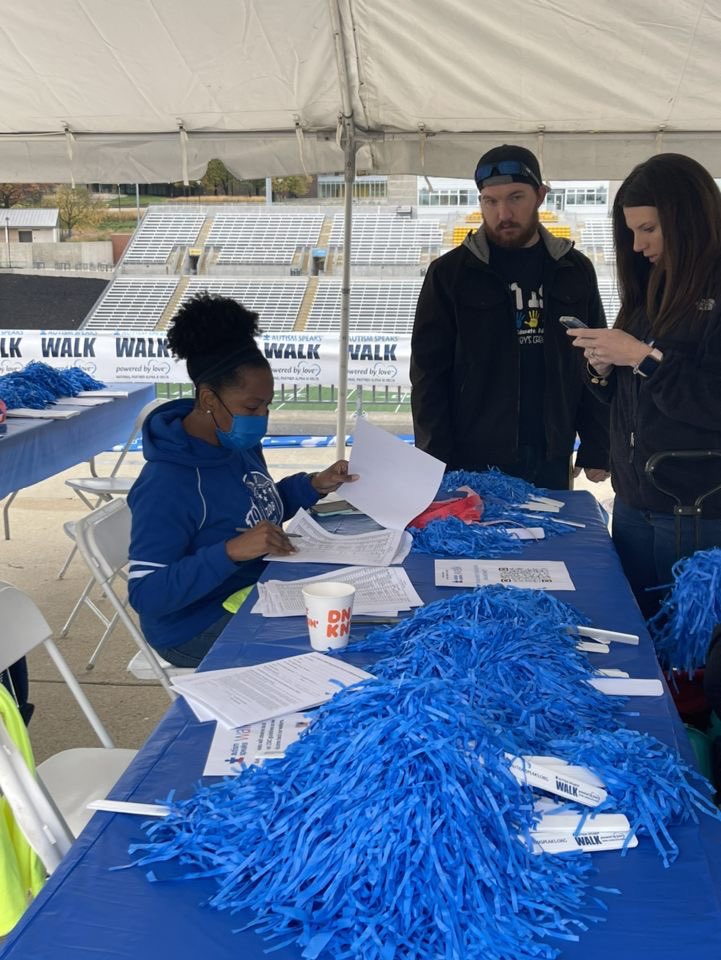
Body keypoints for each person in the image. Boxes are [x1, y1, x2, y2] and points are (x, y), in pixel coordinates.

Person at [128, 293, 357, 667]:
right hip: (193, 626)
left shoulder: (236, 441)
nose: (261, 418)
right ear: (207, 399)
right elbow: (147, 593)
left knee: (348, 612)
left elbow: (260, 510)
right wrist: (231, 551)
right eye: (252, 407)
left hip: (256, 587)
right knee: (331, 649)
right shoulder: (166, 482)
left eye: (267, 405)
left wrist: (313, 485)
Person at [567, 153, 721, 618]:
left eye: (648, 229)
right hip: (634, 503)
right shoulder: (650, 286)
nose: (636, 245)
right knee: (639, 637)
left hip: (697, 511)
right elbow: (627, 398)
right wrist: (602, 369)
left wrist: (641, 358)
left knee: (689, 659)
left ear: (688, 219)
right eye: (631, 231)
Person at [410, 144, 610, 489]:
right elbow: (428, 374)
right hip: (472, 458)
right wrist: (434, 458)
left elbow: (596, 361)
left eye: (515, 197)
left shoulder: (575, 269)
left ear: (540, 195)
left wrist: (597, 443)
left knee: (550, 540)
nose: (503, 212)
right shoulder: (449, 273)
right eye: (491, 200)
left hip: (551, 452)